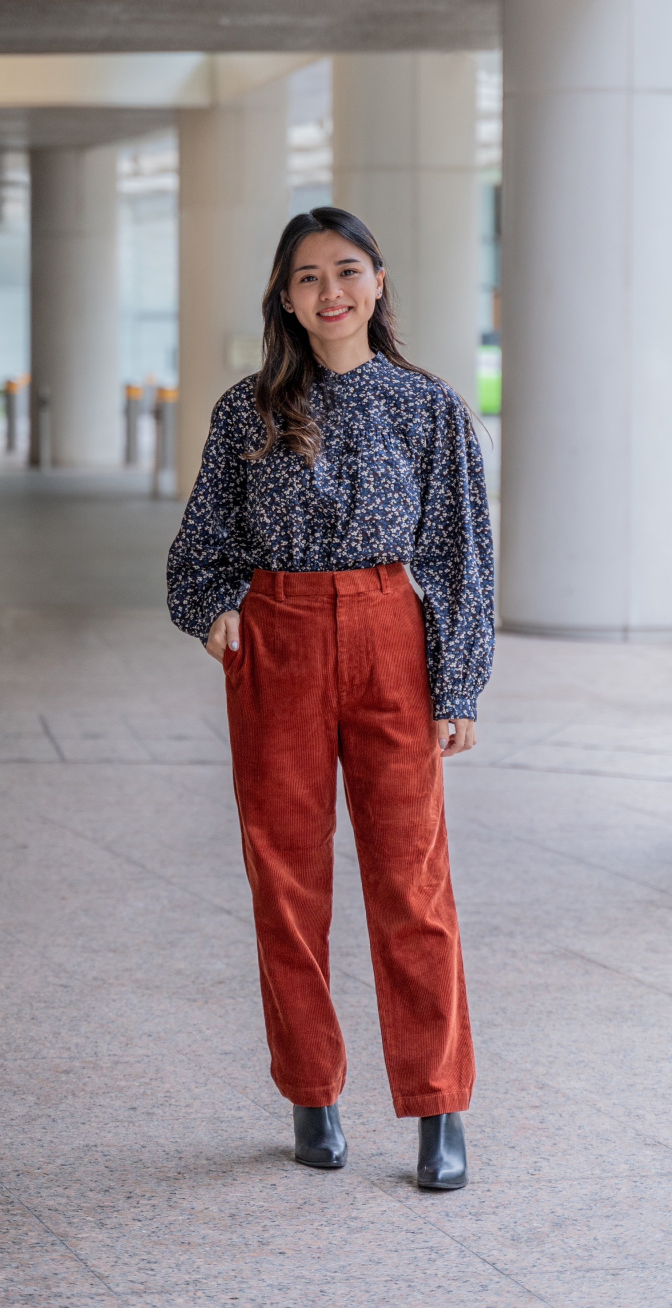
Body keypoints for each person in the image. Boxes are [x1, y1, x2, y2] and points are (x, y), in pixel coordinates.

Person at [167, 207, 494, 1190]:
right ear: (284, 295)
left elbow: (460, 553)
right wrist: (217, 613)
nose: (329, 292)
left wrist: (458, 682)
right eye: (306, 277)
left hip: (393, 636)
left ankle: (439, 1109)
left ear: (379, 282)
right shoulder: (247, 411)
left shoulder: (428, 407)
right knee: (287, 882)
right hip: (281, 642)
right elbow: (201, 545)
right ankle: (311, 1091)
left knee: (413, 886)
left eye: (345, 271)